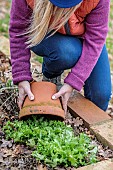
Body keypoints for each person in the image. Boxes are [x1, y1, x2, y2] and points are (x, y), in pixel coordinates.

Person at [9, 0, 112, 113]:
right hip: (45, 34)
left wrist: (74, 81)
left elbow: (95, 38)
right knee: (66, 53)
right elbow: (18, 30)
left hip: (85, 37)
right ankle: (51, 75)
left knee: (101, 95)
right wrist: (21, 76)